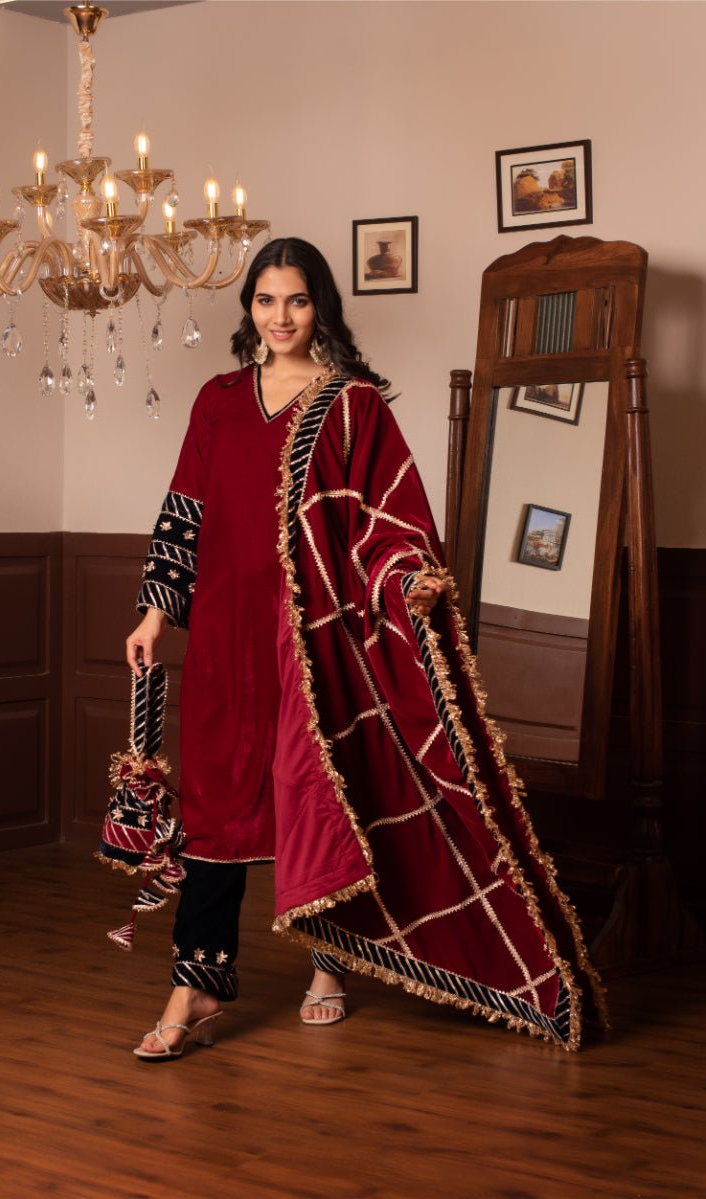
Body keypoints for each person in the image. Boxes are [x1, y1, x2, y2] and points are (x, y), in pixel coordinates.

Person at [125, 237, 606, 1060]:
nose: (281, 317)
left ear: (322, 308)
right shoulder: (218, 399)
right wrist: (154, 614)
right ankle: (197, 981)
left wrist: (408, 578)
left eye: (297, 300)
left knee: (321, 797)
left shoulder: (352, 405)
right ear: (249, 308)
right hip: (225, 640)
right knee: (215, 807)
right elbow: (185, 510)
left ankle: (332, 963)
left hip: (314, 643)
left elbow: (389, 518)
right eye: (266, 300)